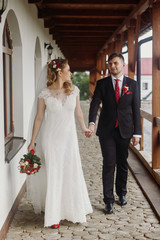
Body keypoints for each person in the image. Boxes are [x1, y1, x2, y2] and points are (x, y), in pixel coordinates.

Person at [28, 58, 93, 228]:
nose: (71, 73)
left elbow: (78, 112)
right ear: (59, 72)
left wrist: (84, 128)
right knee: (54, 174)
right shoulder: (44, 94)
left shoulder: (74, 91)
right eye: (68, 70)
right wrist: (33, 141)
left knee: (70, 172)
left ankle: (73, 211)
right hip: (51, 140)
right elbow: (39, 118)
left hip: (69, 139)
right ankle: (54, 216)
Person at [86, 53, 141, 214]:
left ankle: (121, 193)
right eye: (110, 64)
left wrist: (137, 132)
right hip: (106, 130)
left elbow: (135, 110)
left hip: (125, 130)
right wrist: (91, 123)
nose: (112, 66)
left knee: (122, 163)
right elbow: (95, 104)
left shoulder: (132, 84)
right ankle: (108, 200)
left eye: (115, 63)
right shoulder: (102, 84)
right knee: (109, 163)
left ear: (123, 64)